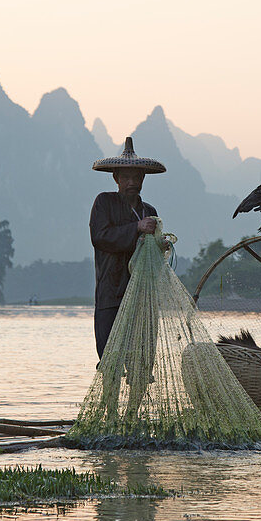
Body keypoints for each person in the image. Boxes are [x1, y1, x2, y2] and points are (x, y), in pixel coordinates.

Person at [89, 137, 166, 357]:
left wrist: (161, 244)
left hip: (142, 298)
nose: (131, 182)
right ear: (116, 178)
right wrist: (137, 228)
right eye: (126, 177)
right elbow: (101, 237)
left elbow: (154, 256)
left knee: (141, 360)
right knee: (108, 359)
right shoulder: (104, 202)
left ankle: (139, 390)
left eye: (136, 177)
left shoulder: (149, 210)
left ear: (143, 179)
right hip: (111, 294)